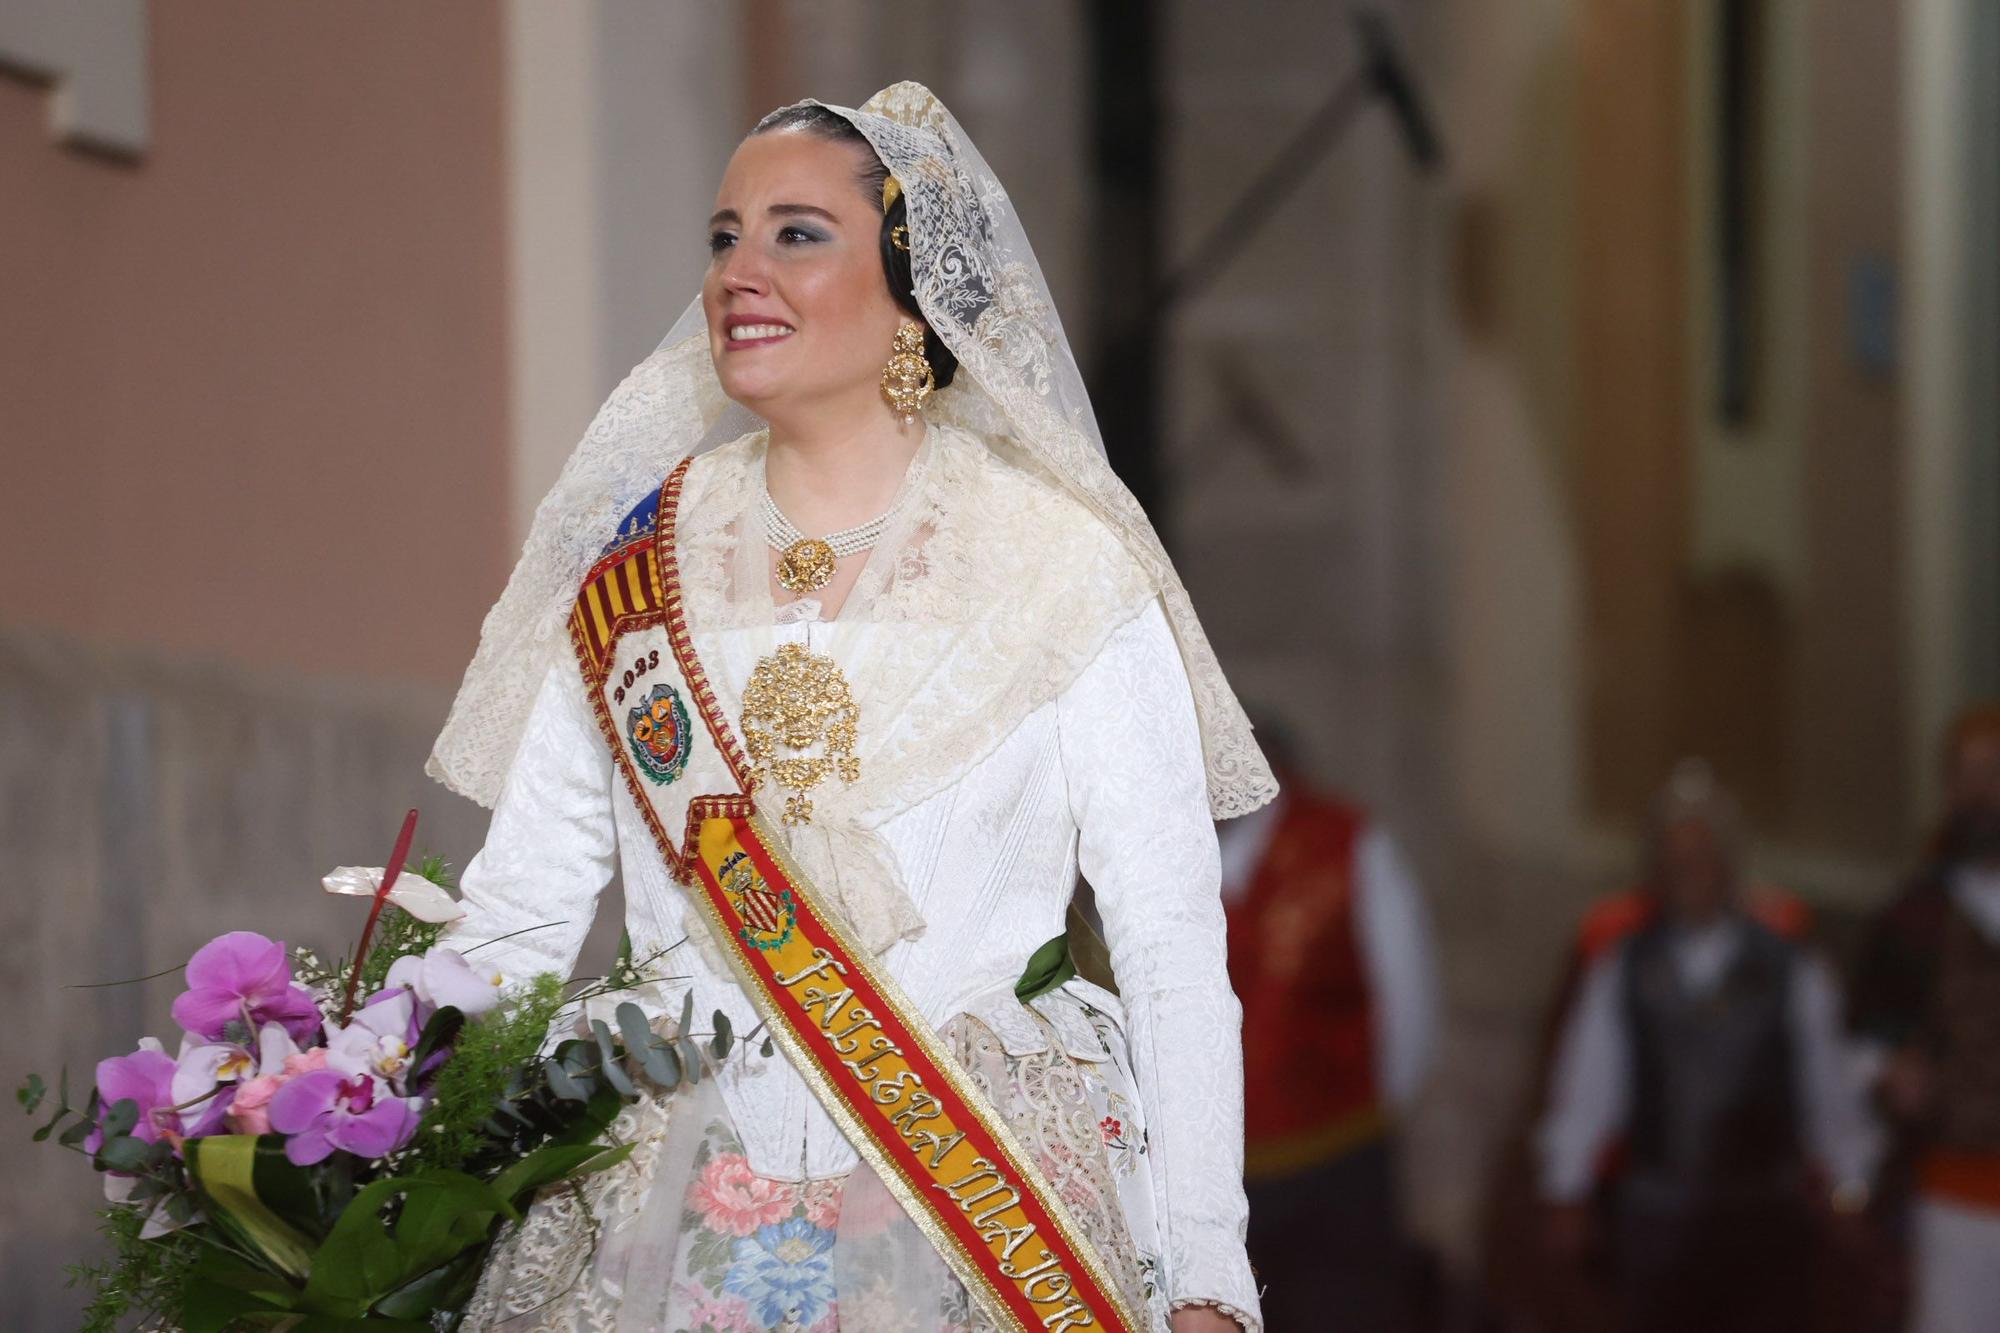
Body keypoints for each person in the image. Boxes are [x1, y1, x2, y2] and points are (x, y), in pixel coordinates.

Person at [428, 83, 1273, 1333]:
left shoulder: (1060, 560)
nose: (737, 272)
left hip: (975, 1188)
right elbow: (523, 913)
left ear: (910, 285)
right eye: (723, 237)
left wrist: (1206, 1271)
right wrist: (366, 1130)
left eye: (795, 233)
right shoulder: (630, 569)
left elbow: (1164, 941)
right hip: (662, 1197)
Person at [1535, 761, 1877, 1333]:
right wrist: (1566, 1188)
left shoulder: (1790, 966)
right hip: (1658, 1216)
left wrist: (1849, 1184)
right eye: (1674, 855)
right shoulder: (1624, 967)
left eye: (1702, 853)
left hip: (1764, 1212)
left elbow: (1827, 1086)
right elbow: (1589, 1085)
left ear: (1729, 861)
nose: (1688, 869)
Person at [1216, 740, 1437, 1331]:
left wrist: (1360, 1114)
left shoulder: (1349, 844)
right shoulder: (1157, 850)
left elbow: (1408, 999)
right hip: (1207, 1181)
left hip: (1334, 1165)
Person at [1851, 705, 2000, 1333]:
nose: (1982, 791)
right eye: (1965, 774)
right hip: (1953, 1199)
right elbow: (1860, 1041)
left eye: (1994, 772)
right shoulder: (1913, 918)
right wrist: (1889, 1075)